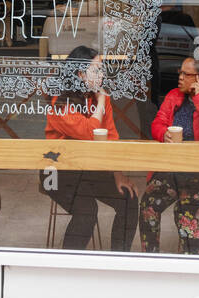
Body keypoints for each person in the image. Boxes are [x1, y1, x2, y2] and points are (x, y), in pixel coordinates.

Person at [41, 45, 140, 251]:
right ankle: (69, 266)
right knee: (87, 211)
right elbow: (89, 132)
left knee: (129, 199)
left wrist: (118, 174)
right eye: (96, 70)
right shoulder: (60, 102)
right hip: (59, 172)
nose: (102, 74)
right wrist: (102, 101)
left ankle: (118, 260)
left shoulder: (98, 99)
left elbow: (111, 137)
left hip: (90, 168)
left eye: (101, 69)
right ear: (80, 73)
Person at [138, 57, 199, 254]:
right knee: (148, 204)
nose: (179, 78)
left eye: (185, 74)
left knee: (184, 212)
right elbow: (157, 123)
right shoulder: (174, 96)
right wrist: (163, 134)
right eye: (179, 73)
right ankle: (150, 257)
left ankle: (193, 263)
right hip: (173, 171)